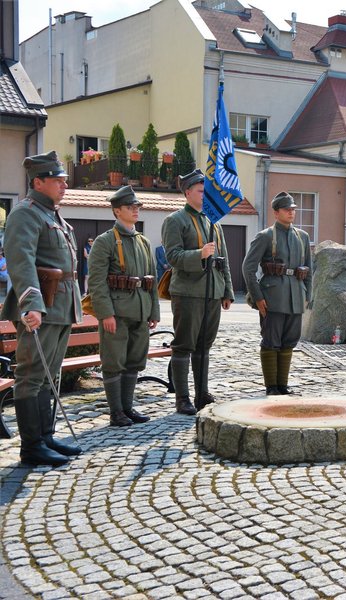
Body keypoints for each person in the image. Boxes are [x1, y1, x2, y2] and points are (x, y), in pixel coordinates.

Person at [0, 151, 83, 466]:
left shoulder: (52, 214)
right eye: (57, 180)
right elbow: (21, 262)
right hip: (42, 308)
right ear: (38, 182)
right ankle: (32, 446)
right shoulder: (26, 213)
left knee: (49, 375)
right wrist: (32, 305)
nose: (64, 184)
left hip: (61, 307)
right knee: (32, 375)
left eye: (64, 180)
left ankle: (46, 437)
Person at [161, 169, 234, 415]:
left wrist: (227, 291)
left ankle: (202, 392)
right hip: (188, 292)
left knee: (204, 345)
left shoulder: (214, 222)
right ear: (188, 192)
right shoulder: (175, 220)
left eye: (207, 191)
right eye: (201, 191)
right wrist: (199, 254)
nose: (205, 195)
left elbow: (223, 260)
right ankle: (182, 398)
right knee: (184, 345)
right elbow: (173, 256)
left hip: (212, 291)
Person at [87, 186, 161, 426]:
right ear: (117, 211)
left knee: (134, 360)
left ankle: (128, 408)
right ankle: (116, 411)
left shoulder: (143, 242)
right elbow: (96, 282)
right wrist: (105, 313)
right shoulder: (105, 241)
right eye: (130, 207)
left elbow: (152, 280)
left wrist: (153, 311)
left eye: (137, 206)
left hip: (140, 310)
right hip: (116, 313)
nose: (136, 210)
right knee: (113, 361)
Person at [242, 192, 312, 395]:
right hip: (272, 297)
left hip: (296, 295)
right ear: (276, 212)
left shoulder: (302, 237)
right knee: (271, 341)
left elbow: (309, 269)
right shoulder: (265, 237)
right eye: (286, 209)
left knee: (290, 340)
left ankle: (282, 385)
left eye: (293, 209)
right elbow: (248, 268)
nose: (291, 212)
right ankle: (271, 386)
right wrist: (258, 297)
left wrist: (307, 295)